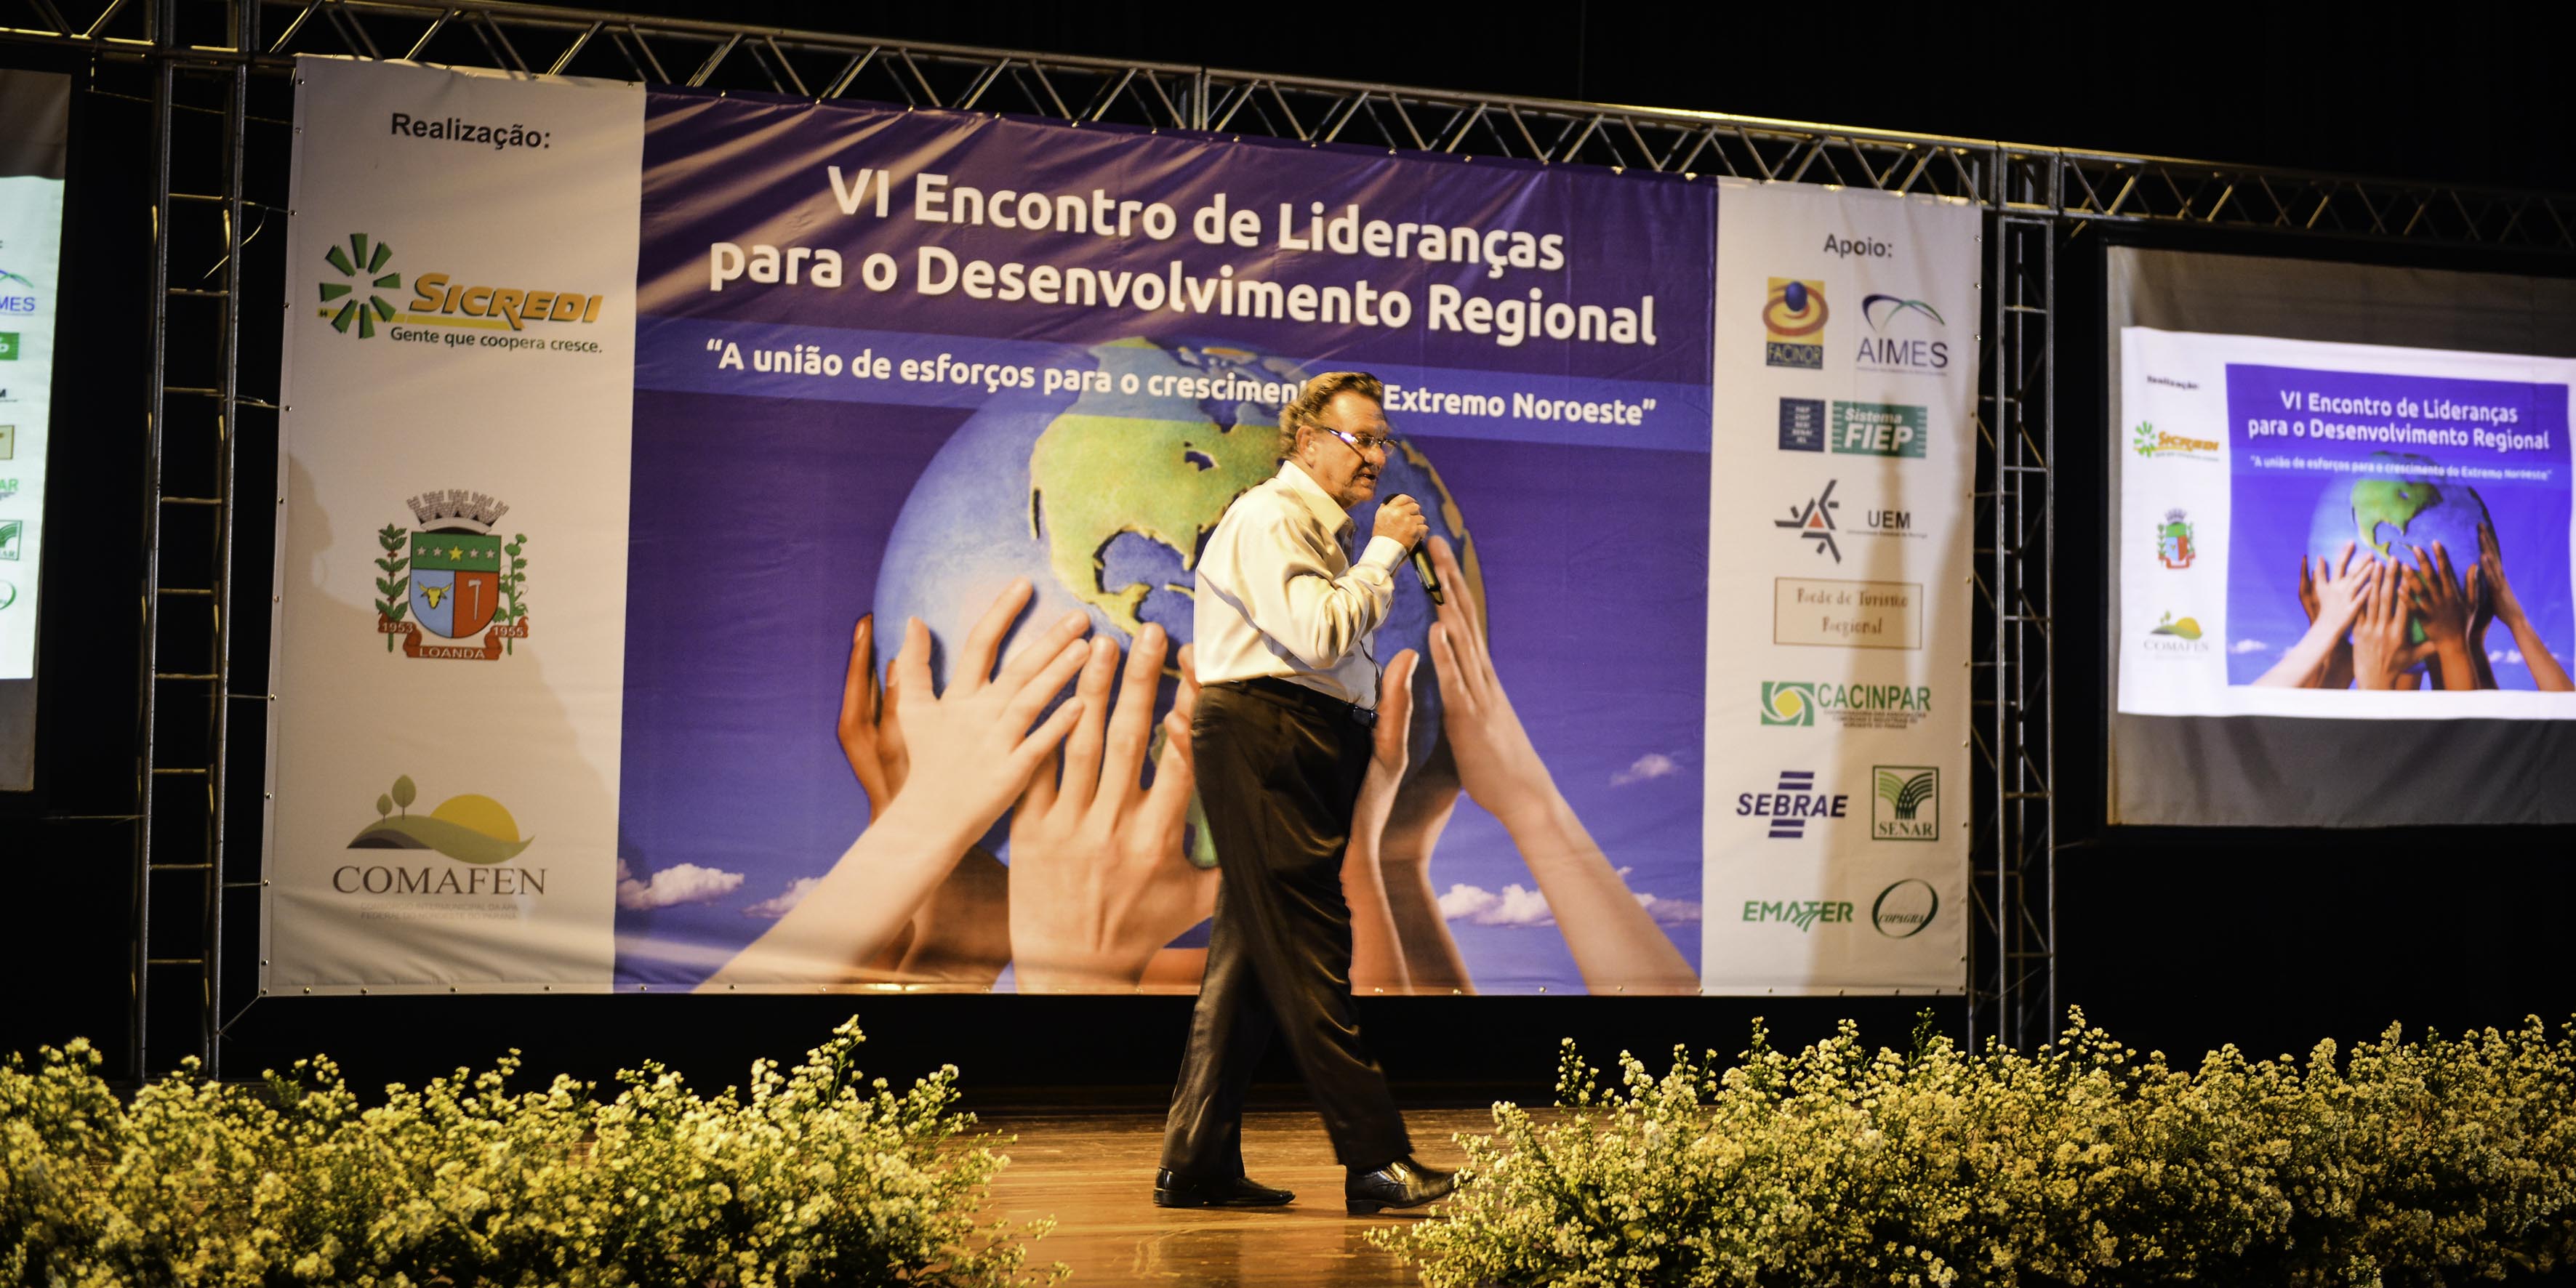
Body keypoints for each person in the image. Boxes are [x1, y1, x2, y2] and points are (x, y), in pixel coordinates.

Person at [1155, 371, 1457, 1216]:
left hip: (1305, 734)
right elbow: (1319, 634)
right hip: (1268, 732)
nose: (1376, 457)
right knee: (1311, 942)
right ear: (1308, 439)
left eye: (1383, 441)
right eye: (1361, 439)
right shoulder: (1271, 516)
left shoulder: (1317, 527)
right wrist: (1387, 551)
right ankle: (1375, 1159)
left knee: (1252, 957)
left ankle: (1197, 1160)